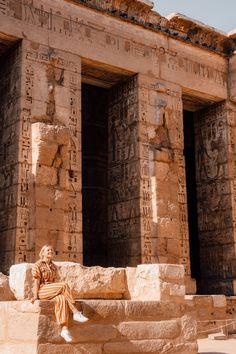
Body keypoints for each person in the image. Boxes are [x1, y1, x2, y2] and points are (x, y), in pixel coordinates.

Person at [31, 244, 88, 342]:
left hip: (51, 290)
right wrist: (35, 296)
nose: (50, 252)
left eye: (52, 250)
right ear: (42, 252)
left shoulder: (54, 266)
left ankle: (64, 329)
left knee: (61, 298)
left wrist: (56, 292)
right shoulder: (37, 265)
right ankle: (75, 312)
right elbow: (36, 281)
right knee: (64, 285)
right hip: (42, 290)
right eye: (48, 250)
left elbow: (54, 281)